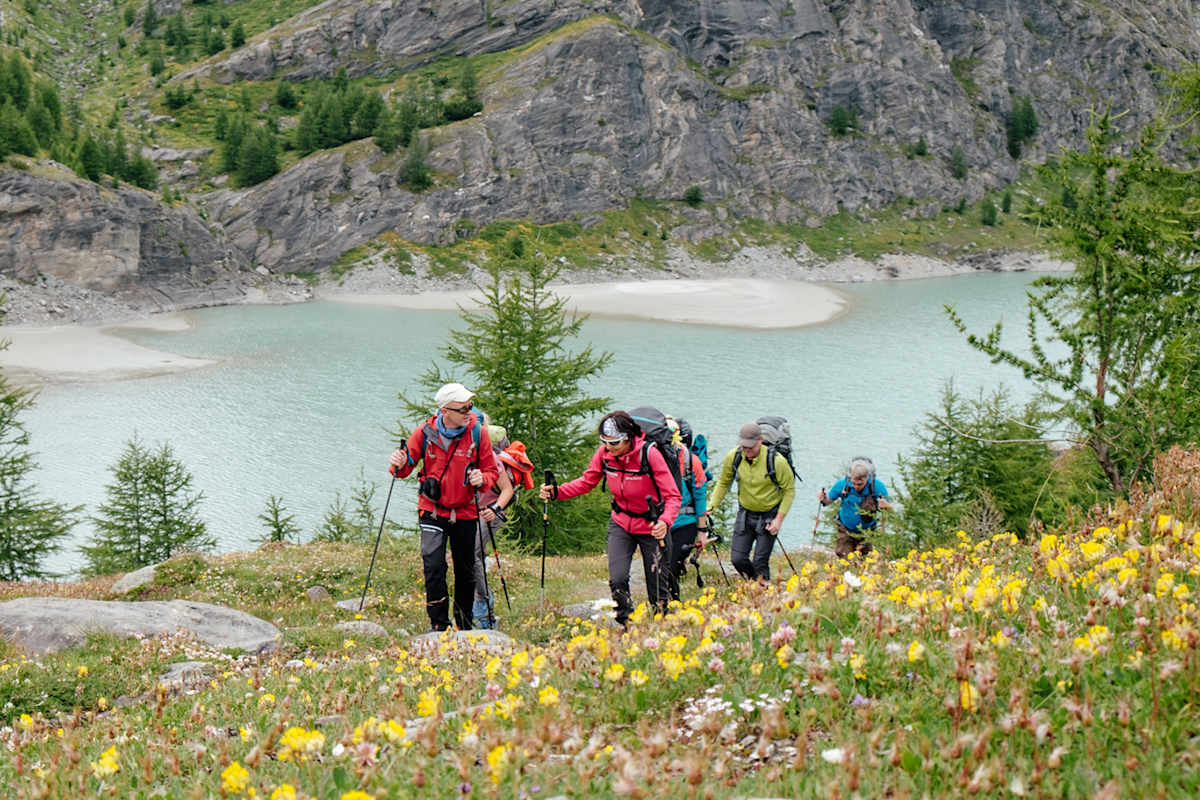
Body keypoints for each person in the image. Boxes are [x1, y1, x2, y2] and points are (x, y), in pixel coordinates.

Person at [539, 410, 680, 627]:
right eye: (604, 442)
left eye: (614, 443)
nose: (609, 448)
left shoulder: (649, 455)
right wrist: (557, 492)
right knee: (618, 579)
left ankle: (663, 628)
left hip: (652, 525)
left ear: (628, 438)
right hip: (621, 522)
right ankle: (627, 624)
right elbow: (587, 482)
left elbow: (672, 495)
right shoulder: (605, 454)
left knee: (658, 588)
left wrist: (665, 522)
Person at [389, 382, 498, 632]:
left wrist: (483, 479)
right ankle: (438, 624)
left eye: (470, 407)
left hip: (466, 510)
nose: (468, 412)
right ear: (445, 410)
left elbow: (491, 471)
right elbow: (403, 470)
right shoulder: (424, 432)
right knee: (433, 565)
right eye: (462, 409)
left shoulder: (477, 433)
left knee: (465, 568)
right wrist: (397, 462)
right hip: (432, 508)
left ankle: (464, 623)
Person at [705, 422, 796, 581]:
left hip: (769, 516)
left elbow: (789, 490)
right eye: (744, 447)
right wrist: (711, 506)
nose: (747, 452)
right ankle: (758, 585)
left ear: (760, 440)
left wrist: (778, 521)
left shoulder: (776, 461)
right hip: (745, 514)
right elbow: (724, 482)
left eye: (750, 448)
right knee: (737, 559)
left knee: (760, 561)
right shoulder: (734, 457)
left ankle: (762, 593)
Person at [472, 425, 534, 628]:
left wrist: (495, 509)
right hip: (473, 511)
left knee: (473, 555)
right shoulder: (468, 454)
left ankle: (484, 605)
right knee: (471, 557)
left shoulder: (492, 459)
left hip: (491, 512)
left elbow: (506, 491)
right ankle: (479, 604)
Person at [666, 416, 708, 601]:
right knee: (660, 568)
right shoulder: (654, 459)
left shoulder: (692, 462)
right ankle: (663, 605)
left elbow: (700, 497)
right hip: (662, 523)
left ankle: (671, 607)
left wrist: (702, 531)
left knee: (670, 568)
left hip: (685, 522)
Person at [819, 458, 892, 559]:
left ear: (867, 478)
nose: (856, 486)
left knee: (865, 561)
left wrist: (886, 505)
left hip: (867, 532)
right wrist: (823, 498)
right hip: (846, 529)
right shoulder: (842, 484)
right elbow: (827, 501)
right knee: (845, 558)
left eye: (860, 484)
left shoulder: (877, 487)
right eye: (854, 483)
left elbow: (890, 508)